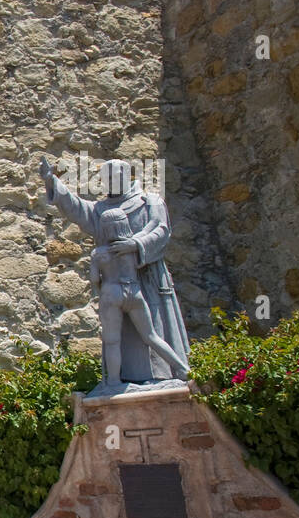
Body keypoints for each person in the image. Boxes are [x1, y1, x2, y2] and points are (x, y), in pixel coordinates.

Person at [39, 157, 190, 384]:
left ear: (126, 175)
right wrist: (52, 181)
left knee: (153, 333)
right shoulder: (101, 210)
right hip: (120, 285)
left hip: (148, 279)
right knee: (123, 337)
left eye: (114, 176)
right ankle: (124, 380)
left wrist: (135, 245)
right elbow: (77, 208)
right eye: (105, 177)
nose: (109, 181)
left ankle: (171, 374)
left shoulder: (151, 202)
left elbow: (161, 230)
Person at [90, 207, 189, 385]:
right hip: (134, 292)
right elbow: (146, 236)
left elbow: (94, 279)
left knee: (112, 341)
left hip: (111, 292)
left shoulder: (98, 253)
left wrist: (102, 288)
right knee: (151, 336)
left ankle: (113, 381)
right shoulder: (130, 248)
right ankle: (182, 368)